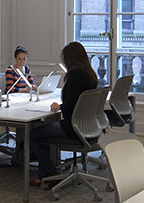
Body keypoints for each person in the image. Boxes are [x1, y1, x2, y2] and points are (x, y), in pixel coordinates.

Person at [29, 41, 98, 186]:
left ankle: (48, 174)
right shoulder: (90, 74)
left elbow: (70, 104)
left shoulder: (75, 74)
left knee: (33, 135)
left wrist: (59, 106)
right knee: (43, 130)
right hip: (88, 126)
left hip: (72, 127)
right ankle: (49, 171)